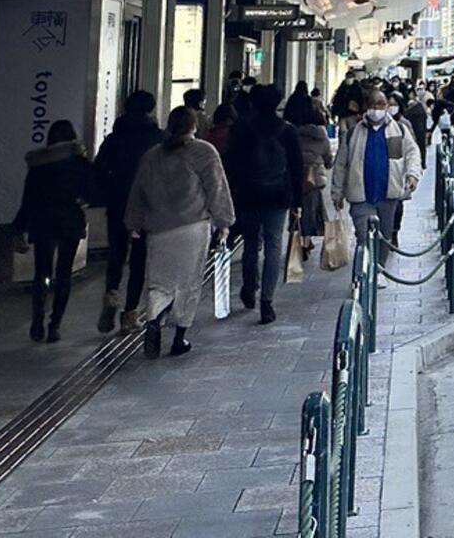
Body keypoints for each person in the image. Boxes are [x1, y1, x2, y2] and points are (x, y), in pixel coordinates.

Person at [125, 107, 234, 360]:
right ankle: (179, 338)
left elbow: (138, 191)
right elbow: (216, 187)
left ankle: (152, 320)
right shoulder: (204, 152)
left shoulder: (152, 155)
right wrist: (224, 221)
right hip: (193, 228)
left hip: (158, 230)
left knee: (159, 283)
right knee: (188, 284)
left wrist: (133, 223)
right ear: (194, 126)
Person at [226, 83, 304, 323]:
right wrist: (297, 200)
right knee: (273, 246)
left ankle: (250, 287)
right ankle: (267, 302)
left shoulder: (241, 128)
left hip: (248, 194)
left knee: (250, 244)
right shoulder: (287, 130)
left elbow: (231, 163)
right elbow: (296, 166)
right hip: (278, 195)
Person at [14, 119, 94, 343]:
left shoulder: (38, 164)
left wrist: (19, 227)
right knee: (64, 274)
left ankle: (37, 322)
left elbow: (28, 199)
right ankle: (55, 325)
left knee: (42, 274)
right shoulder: (78, 162)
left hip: (42, 221)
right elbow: (91, 192)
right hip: (69, 221)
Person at [93, 89, 162, 334]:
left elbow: (99, 170)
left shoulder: (114, 138)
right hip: (146, 205)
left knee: (117, 253)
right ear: (151, 109)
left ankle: (111, 296)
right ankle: (130, 313)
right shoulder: (157, 138)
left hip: (118, 203)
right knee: (139, 258)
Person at [330, 87, 422, 247]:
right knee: (364, 240)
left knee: (384, 241)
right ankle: (365, 270)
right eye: (373, 105)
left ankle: (378, 271)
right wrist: (337, 192)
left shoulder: (399, 130)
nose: (377, 109)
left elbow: (412, 152)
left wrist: (412, 174)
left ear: (386, 106)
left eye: (381, 104)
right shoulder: (353, 133)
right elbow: (340, 164)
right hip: (361, 198)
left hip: (388, 196)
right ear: (367, 107)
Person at [289, 91, 332, 257]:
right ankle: (306, 241)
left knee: (296, 209)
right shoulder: (322, 136)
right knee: (311, 211)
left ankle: (298, 238)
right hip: (314, 178)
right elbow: (328, 159)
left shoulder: (294, 133)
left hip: (296, 176)